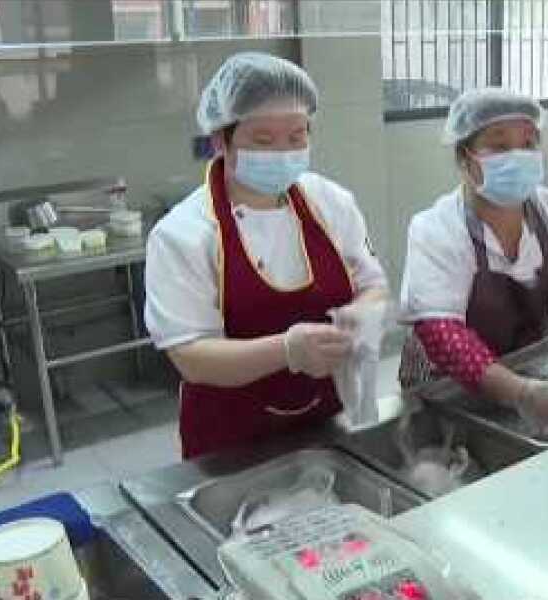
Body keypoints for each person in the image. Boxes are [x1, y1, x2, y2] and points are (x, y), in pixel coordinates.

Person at [144, 53, 387, 459]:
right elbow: (191, 356)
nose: (283, 152)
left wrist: (359, 316)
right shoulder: (183, 234)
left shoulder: (331, 203)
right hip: (229, 443)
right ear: (221, 140)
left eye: (297, 136)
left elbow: (371, 285)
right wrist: (288, 351)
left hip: (326, 425)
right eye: (262, 140)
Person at [398, 88, 548, 438]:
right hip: (445, 388)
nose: (518, 157)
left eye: (528, 144)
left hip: (529, 370)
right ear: (464, 158)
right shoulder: (435, 229)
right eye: (499, 146)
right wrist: (520, 393)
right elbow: (441, 332)